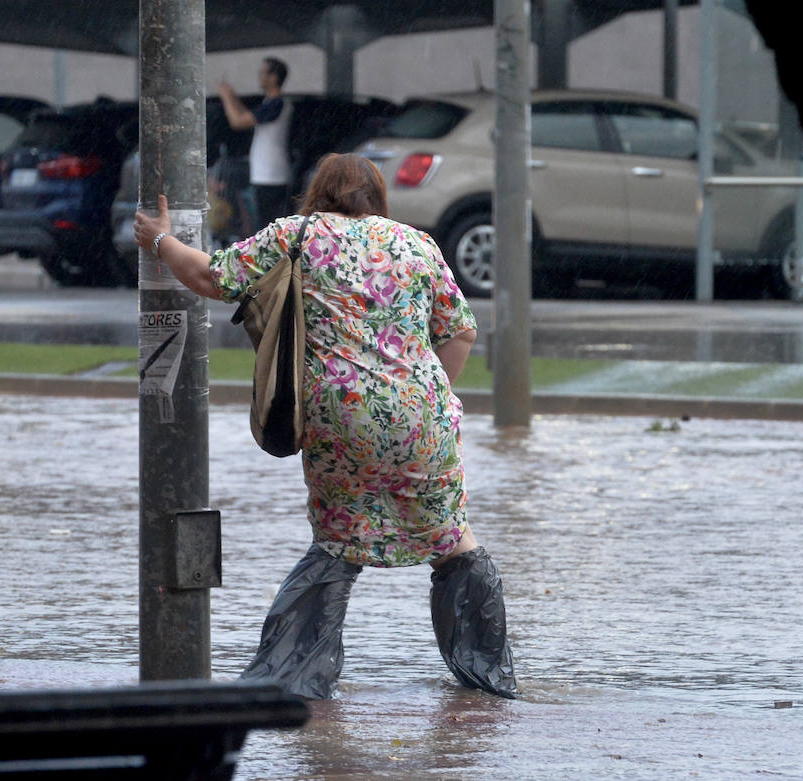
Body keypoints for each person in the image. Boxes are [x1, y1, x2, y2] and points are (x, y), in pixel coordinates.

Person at [133, 153, 517, 700]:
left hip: (339, 416)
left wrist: (159, 240)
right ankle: (487, 682)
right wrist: (430, 398)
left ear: (319, 192)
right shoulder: (417, 243)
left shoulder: (297, 235)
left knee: (339, 541)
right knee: (454, 539)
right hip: (422, 417)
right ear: (377, 196)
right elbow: (460, 333)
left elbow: (210, 276)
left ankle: (290, 681)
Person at [217, 57, 293, 232]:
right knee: (267, 222)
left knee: (268, 224)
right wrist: (233, 98)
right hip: (267, 173)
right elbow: (248, 114)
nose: (259, 76)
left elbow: (238, 121)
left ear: (273, 77)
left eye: (262, 72)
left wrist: (226, 97)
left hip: (271, 175)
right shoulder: (271, 103)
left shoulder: (277, 103)